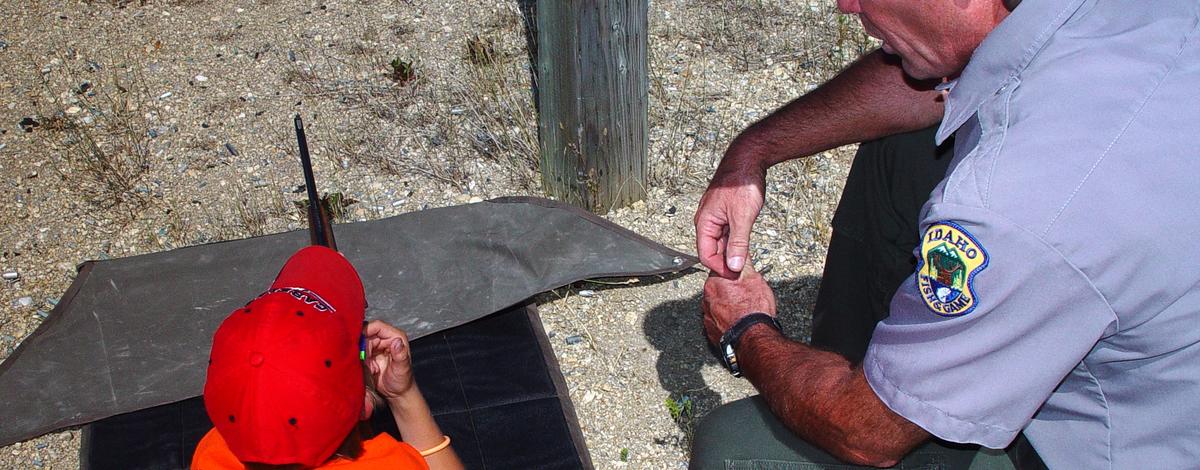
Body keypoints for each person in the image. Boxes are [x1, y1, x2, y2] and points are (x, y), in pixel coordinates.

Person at [692, 0, 1200, 468]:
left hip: (1120, 446)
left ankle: (884, 388)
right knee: (902, 147)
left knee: (734, 447)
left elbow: (866, 435)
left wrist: (746, 331)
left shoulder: (1009, 207)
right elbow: (944, 83)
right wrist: (752, 152)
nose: (846, 4)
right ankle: (867, 365)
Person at [192, 245, 464, 469]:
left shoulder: (211, 455)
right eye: (358, 342)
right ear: (362, 408)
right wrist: (403, 395)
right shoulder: (389, 464)